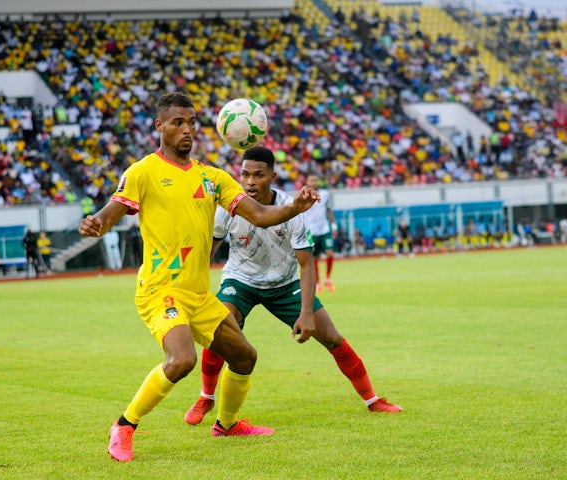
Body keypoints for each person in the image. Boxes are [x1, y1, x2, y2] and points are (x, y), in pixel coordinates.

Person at [78, 92, 319, 463]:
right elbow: (112, 212)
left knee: (244, 357)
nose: (187, 130)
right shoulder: (143, 171)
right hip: (161, 290)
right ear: (160, 126)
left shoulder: (213, 177)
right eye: (177, 122)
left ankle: (226, 424)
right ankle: (124, 426)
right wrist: (97, 223)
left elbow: (258, 214)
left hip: (198, 294)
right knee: (182, 360)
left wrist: (294, 208)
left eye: (191, 122)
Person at [184, 146, 401, 426]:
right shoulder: (230, 206)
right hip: (240, 279)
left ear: (272, 176)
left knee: (332, 337)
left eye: (258, 175)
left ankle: (372, 400)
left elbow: (307, 265)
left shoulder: (292, 209)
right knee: (220, 327)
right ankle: (206, 397)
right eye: (245, 174)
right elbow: (208, 252)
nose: (250, 181)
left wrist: (307, 313)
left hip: (284, 283)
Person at [304, 173, 337, 292]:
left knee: (330, 253)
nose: (314, 182)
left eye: (315, 180)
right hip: (311, 231)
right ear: (307, 182)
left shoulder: (325, 194)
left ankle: (327, 279)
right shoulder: (304, 196)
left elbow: (329, 210)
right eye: (311, 180)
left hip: (324, 230)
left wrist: (334, 226)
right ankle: (317, 282)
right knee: (314, 258)